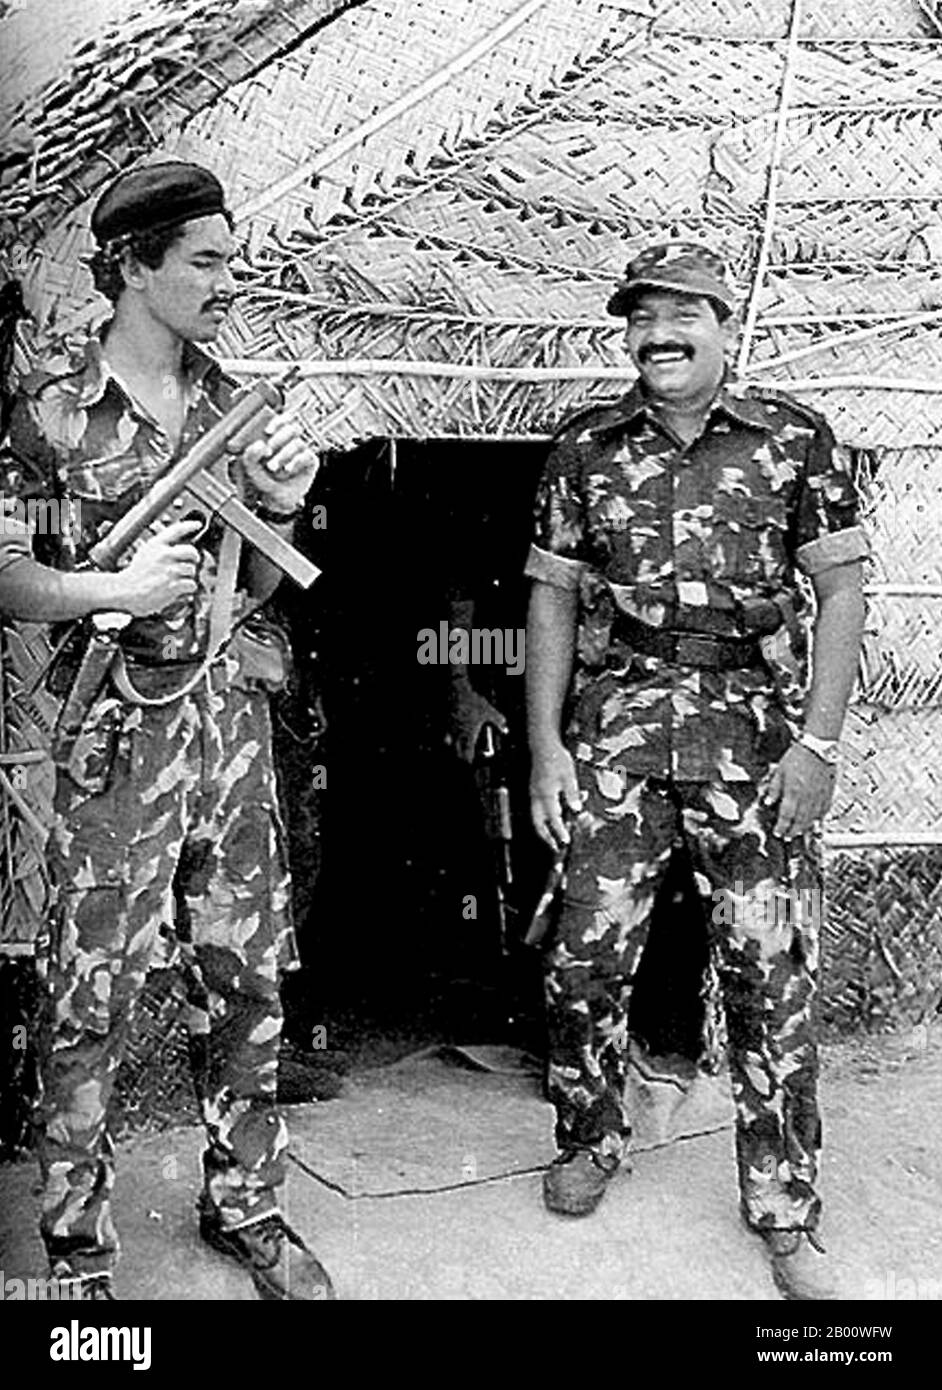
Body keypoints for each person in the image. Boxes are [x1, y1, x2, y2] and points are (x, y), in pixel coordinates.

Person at [0, 162, 334, 1301]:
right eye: (206, 260)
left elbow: (263, 585)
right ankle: (78, 1255)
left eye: (231, 260)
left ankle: (248, 1205)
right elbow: (4, 574)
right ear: (133, 268)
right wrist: (113, 590)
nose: (227, 281)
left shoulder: (235, 399)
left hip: (229, 727)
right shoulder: (51, 411)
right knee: (89, 997)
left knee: (247, 979)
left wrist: (281, 501)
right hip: (114, 735)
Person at [524, 242, 867, 1300]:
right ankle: (589, 1135)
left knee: (769, 974)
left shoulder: (797, 441)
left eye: (682, 318)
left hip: (757, 738)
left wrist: (817, 744)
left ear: (726, 326)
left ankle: (783, 1204)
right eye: (641, 319)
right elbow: (552, 600)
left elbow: (844, 594)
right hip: (620, 725)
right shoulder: (585, 446)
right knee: (584, 954)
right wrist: (544, 750)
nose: (657, 337)